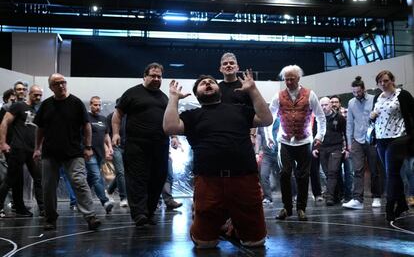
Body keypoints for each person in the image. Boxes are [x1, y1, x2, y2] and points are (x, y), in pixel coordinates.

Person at [163, 72, 272, 248]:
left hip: (244, 179)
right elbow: (169, 127)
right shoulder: (192, 115)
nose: (207, 83)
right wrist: (174, 98)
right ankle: (218, 224)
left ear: (219, 89)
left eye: (211, 82)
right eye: (202, 83)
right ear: (197, 94)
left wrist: (252, 90)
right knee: (204, 243)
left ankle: (231, 225)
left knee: (255, 242)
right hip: (208, 180)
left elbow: (266, 119)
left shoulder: (238, 109)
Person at [112, 62, 178, 226]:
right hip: (137, 145)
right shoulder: (132, 93)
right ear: (145, 76)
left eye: (159, 76)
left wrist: (175, 136)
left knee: (157, 179)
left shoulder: (164, 98)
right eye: (153, 75)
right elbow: (118, 114)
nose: (156, 78)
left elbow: (171, 118)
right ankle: (139, 213)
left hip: (160, 145)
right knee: (137, 179)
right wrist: (115, 133)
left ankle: (149, 212)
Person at [33, 73, 101, 231]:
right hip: (50, 153)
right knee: (48, 186)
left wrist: (88, 146)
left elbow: (86, 126)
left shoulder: (76, 103)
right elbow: (40, 129)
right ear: (51, 87)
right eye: (57, 83)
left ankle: (90, 217)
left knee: (79, 182)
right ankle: (50, 219)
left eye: (63, 82)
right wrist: (37, 148)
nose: (61, 85)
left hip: (73, 152)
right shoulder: (46, 105)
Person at [266, 65, 326, 221]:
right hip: (284, 141)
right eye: (286, 79)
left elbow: (320, 117)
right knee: (285, 173)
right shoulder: (278, 96)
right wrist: (268, 136)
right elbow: (269, 118)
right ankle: (287, 208)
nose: (289, 81)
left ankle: (301, 208)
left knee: (303, 175)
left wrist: (320, 135)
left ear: (299, 78)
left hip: (304, 141)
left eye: (292, 78)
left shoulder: (310, 95)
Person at [370, 70, 414, 221]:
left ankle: (389, 207)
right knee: (392, 174)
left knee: (392, 173)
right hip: (381, 138)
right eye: (380, 81)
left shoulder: (403, 95)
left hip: (398, 138)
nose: (383, 84)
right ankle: (402, 203)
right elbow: (375, 118)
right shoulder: (377, 97)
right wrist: (372, 117)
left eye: (386, 81)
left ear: (393, 80)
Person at [0, 85, 44, 217]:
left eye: (40, 95)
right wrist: (3, 143)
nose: (38, 97)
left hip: (32, 151)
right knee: (11, 179)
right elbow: (4, 123)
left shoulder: (37, 111)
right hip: (18, 148)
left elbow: (40, 131)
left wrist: (38, 148)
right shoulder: (18, 106)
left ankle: (42, 208)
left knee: (38, 178)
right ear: (29, 94)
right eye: (35, 94)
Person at [343, 76, 382, 210]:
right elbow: (349, 124)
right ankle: (357, 199)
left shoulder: (374, 99)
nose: (356, 94)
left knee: (374, 169)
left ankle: (376, 197)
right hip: (357, 141)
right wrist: (349, 143)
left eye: (358, 92)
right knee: (357, 170)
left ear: (363, 89)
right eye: (354, 92)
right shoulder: (351, 103)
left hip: (372, 139)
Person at [312, 97, 347, 206]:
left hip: (336, 147)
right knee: (328, 173)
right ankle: (337, 195)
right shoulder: (318, 119)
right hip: (323, 148)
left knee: (333, 172)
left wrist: (347, 148)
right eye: (321, 105)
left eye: (326, 104)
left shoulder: (340, 118)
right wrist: (314, 148)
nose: (323, 107)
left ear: (330, 105)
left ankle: (330, 197)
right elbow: (314, 134)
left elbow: (345, 133)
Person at [85, 96, 114, 214]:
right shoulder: (86, 117)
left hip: (100, 153)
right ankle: (105, 201)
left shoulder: (103, 119)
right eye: (95, 105)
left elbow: (106, 135)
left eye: (99, 105)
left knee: (90, 180)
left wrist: (110, 148)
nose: (97, 107)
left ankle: (79, 199)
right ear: (90, 105)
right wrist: (86, 148)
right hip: (89, 152)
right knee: (96, 176)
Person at [330, 95, 353, 202]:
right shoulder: (329, 115)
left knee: (349, 173)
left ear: (340, 103)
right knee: (337, 173)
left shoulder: (346, 112)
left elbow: (350, 130)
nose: (334, 104)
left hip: (348, 147)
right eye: (332, 102)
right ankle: (340, 194)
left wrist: (349, 147)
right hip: (336, 148)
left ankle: (348, 196)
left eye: (336, 102)